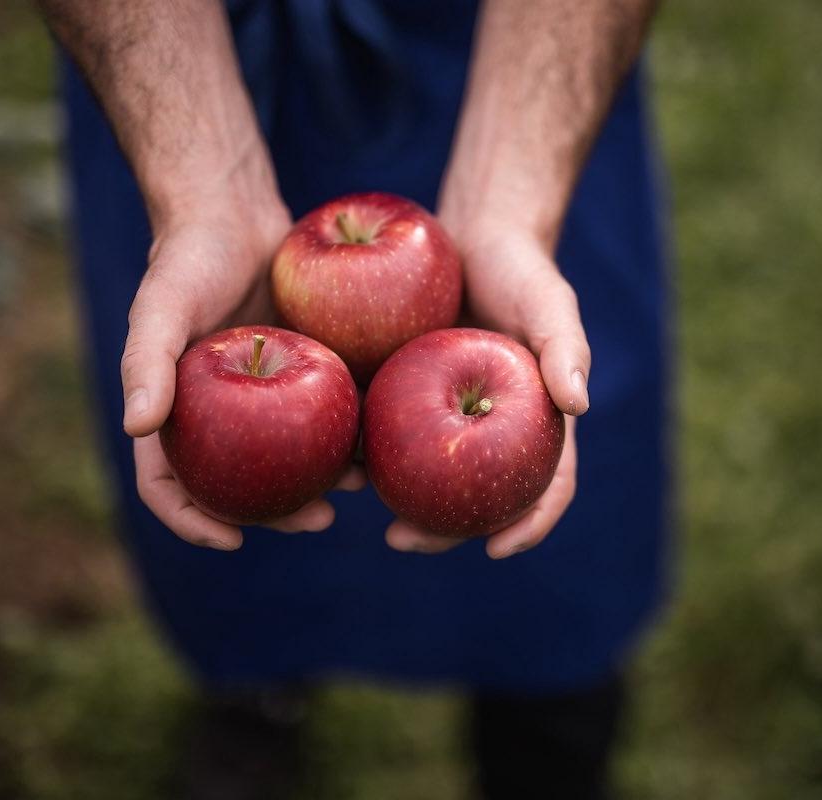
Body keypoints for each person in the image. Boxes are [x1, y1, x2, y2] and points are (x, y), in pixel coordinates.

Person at [39, 1, 669, 797]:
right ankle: (255, 696)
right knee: (219, 465)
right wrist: (199, 184)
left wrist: (512, 204)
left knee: (562, 451)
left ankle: (546, 724)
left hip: (514, 71)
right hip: (178, 78)